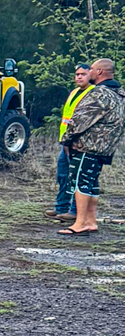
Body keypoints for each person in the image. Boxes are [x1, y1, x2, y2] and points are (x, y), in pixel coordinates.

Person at [59, 58, 125, 237]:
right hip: (105, 148)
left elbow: (79, 121)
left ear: (100, 72)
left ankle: (79, 223)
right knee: (91, 183)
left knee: (81, 183)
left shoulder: (99, 94)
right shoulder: (120, 94)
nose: (90, 72)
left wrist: (66, 140)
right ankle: (90, 221)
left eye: (92, 69)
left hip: (87, 146)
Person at [48, 65, 93, 220]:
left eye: (83, 74)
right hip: (66, 142)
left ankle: (75, 211)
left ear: (90, 75)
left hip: (79, 144)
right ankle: (61, 207)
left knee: (77, 177)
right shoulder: (74, 92)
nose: (79, 77)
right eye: (77, 74)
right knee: (62, 176)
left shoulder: (92, 93)